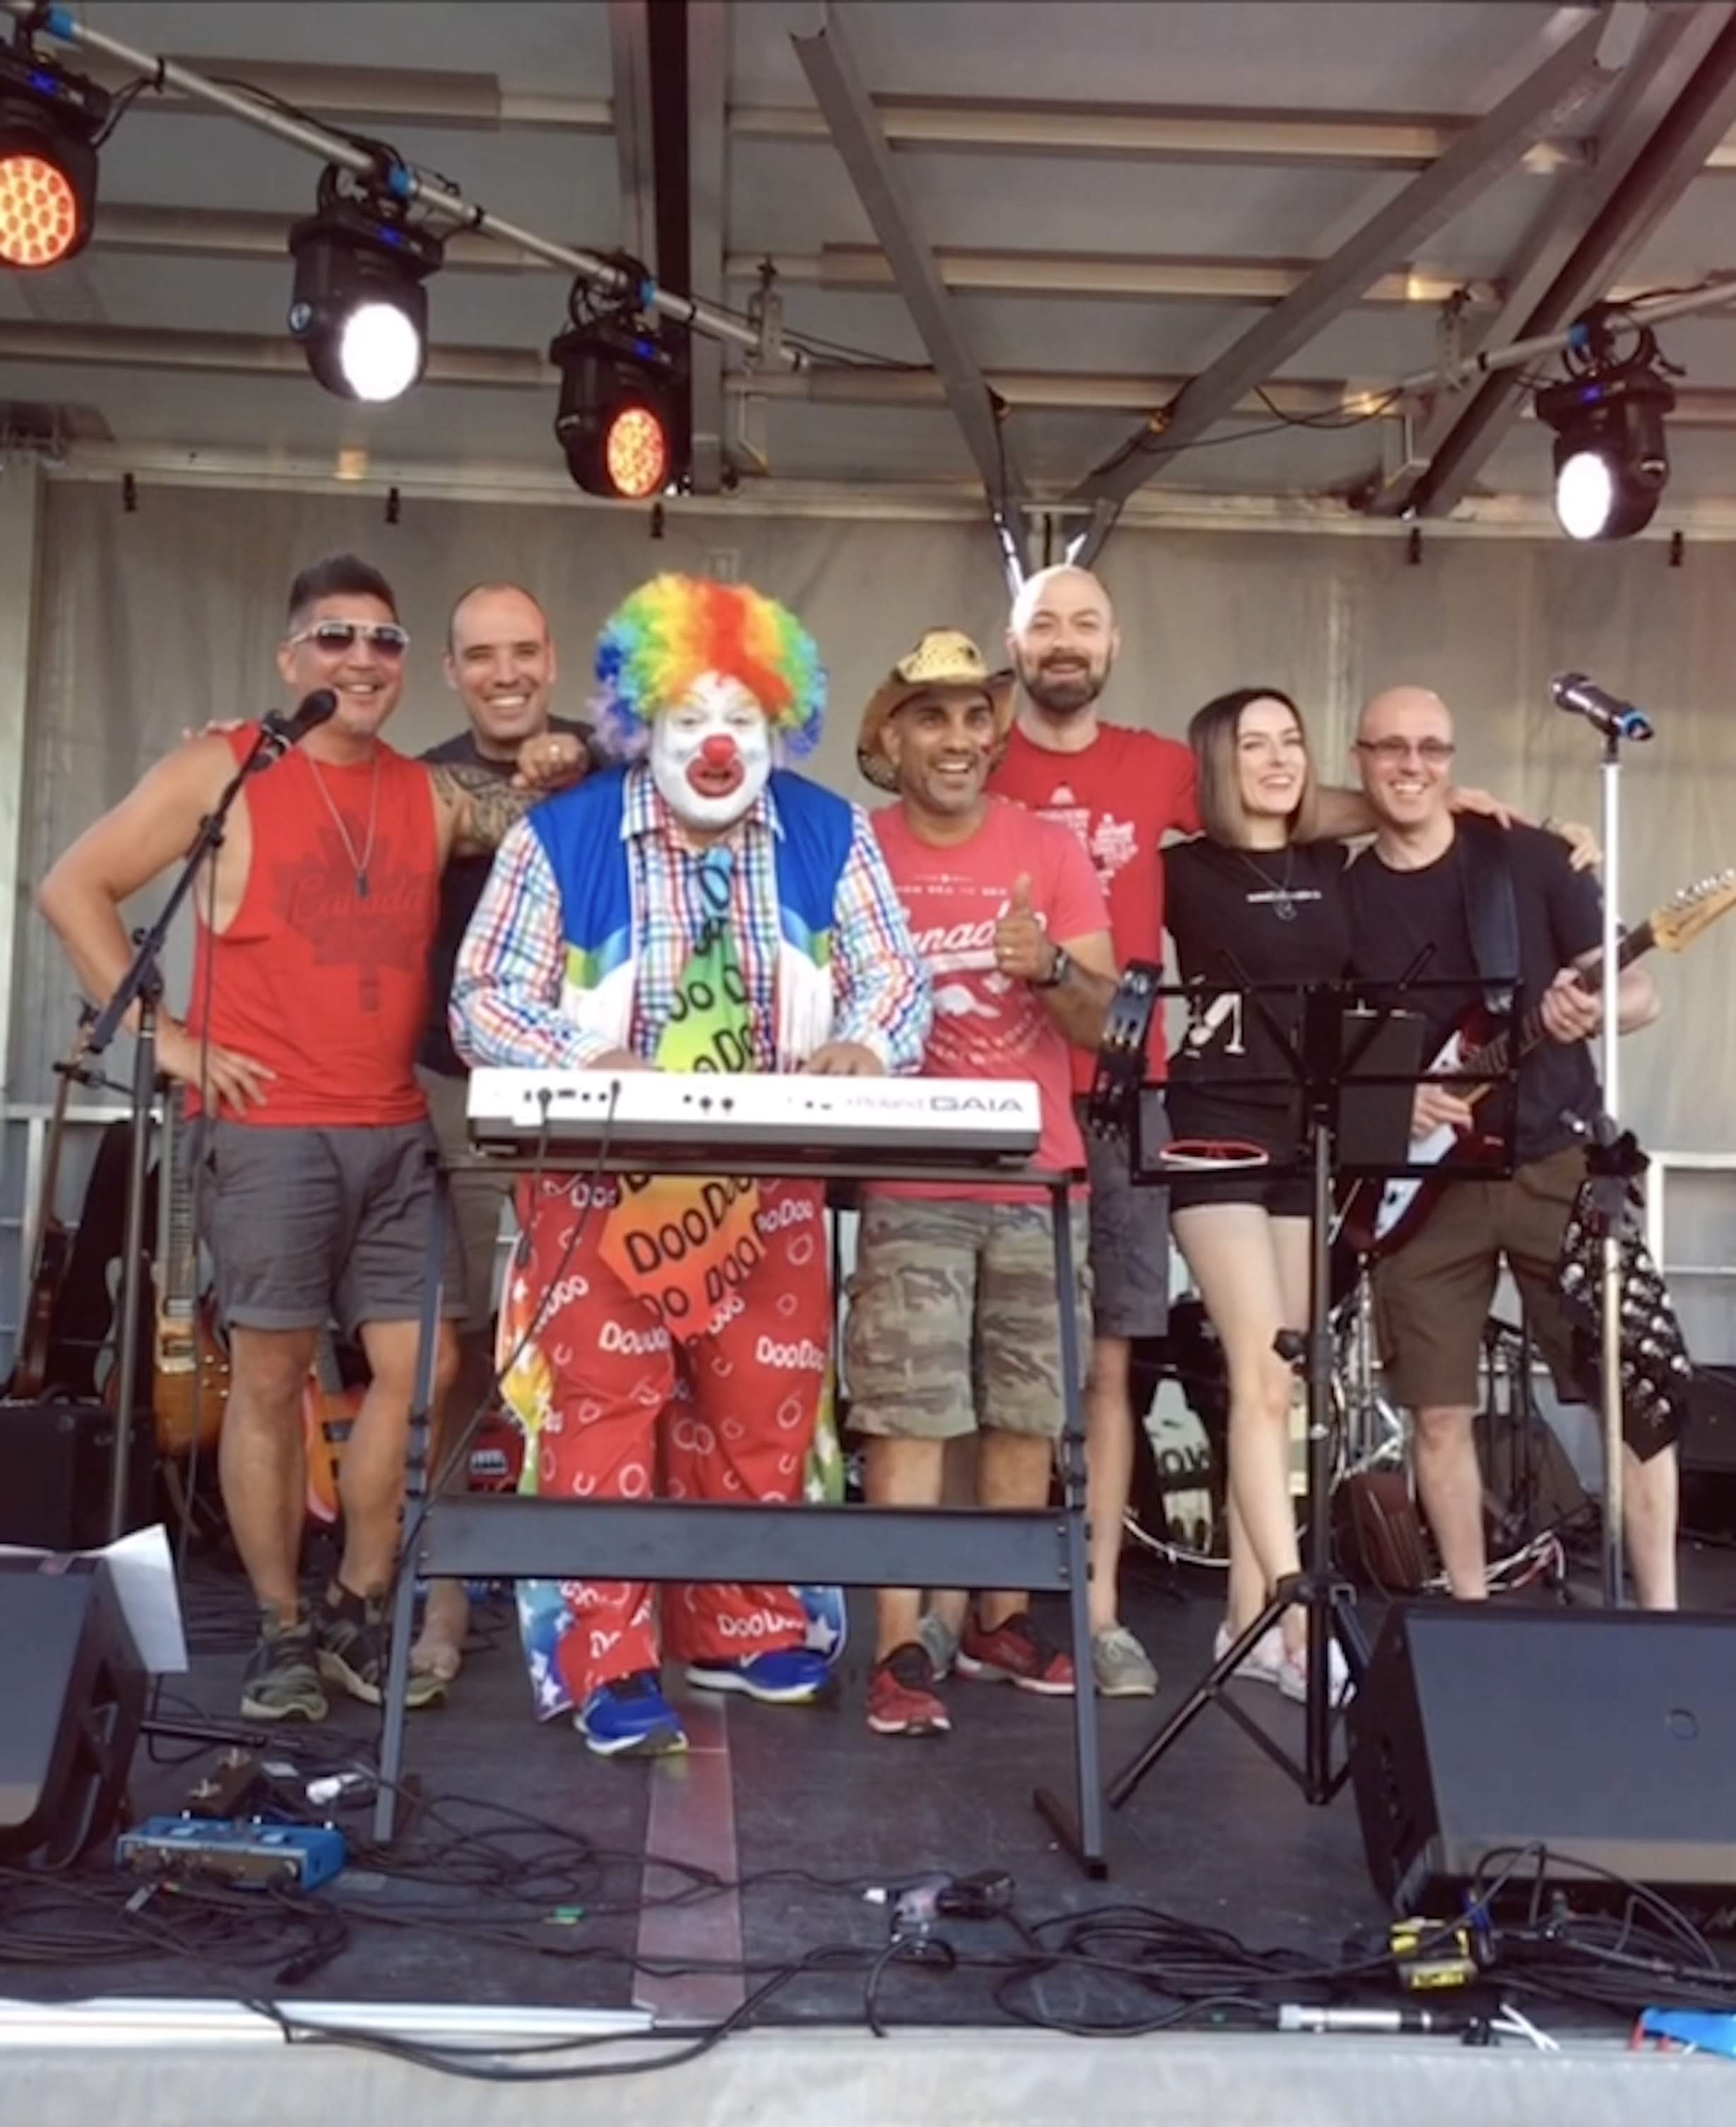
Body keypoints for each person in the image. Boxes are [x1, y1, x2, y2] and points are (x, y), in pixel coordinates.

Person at [36, 552, 589, 1724]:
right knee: (272, 1376)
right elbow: (73, 887)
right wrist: (168, 1040)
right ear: (293, 658)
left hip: (393, 1124)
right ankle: (282, 1626)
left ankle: (357, 1597)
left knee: (427, 1366)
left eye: (384, 640)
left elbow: (544, 810)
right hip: (267, 1129)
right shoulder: (224, 767)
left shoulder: (428, 793)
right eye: (335, 637)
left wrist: (563, 756)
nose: (361, 658)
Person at [451, 572, 932, 1758]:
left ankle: (744, 1622)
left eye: (743, 719)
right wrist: (586, 1051)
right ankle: (608, 1655)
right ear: (638, 724)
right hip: (597, 1182)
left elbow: (895, 977)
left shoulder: (831, 831)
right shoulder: (559, 835)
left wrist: (869, 1043)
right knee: (603, 1417)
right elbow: (481, 997)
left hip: (769, 1180)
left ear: (781, 724)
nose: (717, 745)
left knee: (760, 1408)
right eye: (688, 720)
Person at [1344, 685, 1674, 1607]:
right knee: (1436, 1412)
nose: (1412, 765)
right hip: (1424, 1188)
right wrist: (1391, 1100)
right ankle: (1469, 1614)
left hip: (1556, 1160)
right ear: (1360, 760)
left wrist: (1590, 1011)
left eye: (1431, 748)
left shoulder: (1529, 859)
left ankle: (1661, 1619)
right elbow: (1328, 1047)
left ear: (1453, 761)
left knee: (1635, 1400)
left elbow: (1639, 994)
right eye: (1391, 748)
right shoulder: (1344, 892)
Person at [848, 629, 1114, 1738]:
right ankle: (897, 1646)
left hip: (1040, 1180)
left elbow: (1105, 1024)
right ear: (891, 737)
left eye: (972, 717)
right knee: (907, 1417)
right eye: (931, 717)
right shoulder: (857, 850)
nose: (957, 739)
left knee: (1026, 1412)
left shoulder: (1048, 849)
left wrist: (1046, 966)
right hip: (910, 1181)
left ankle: (1000, 1621)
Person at [412, 582, 599, 1685]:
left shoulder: (609, 767)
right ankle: (440, 1600)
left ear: (551, 655)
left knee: (574, 1358)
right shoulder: (420, 781)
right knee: (454, 1359)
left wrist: (588, 757)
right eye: (481, 655)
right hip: (448, 1093)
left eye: (523, 650)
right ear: (452, 671)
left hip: (583, 1104)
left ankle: (587, 1599)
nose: (505, 673)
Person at [1162, 689, 1353, 1700]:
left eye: (1291, 741)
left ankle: (1245, 1623)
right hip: (1211, 1135)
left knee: (1287, 1388)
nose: (1278, 759)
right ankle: (1294, 1616)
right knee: (1262, 1375)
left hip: (1305, 1139)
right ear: (1216, 761)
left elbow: (1391, 811)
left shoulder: (1330, 865)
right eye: (1253, 745)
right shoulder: (1181, 869)